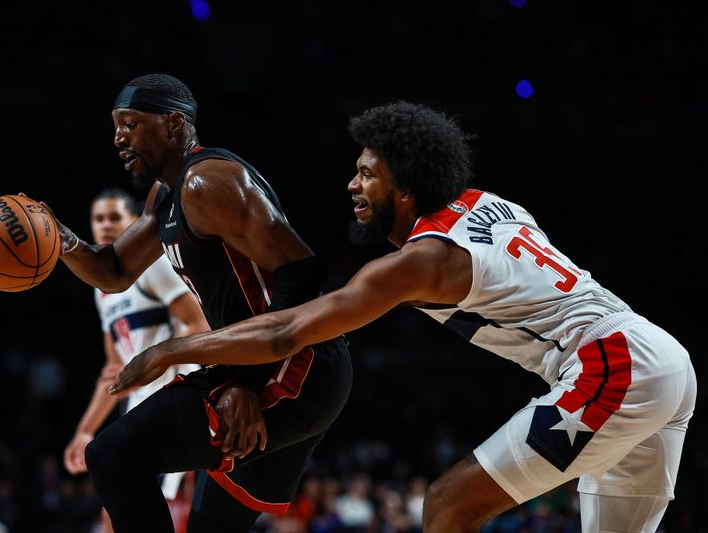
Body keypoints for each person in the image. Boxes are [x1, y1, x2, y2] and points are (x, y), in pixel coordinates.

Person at [111, 101, 697, 533]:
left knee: (446, 506)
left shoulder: (422, 260)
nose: (352, 185)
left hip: (614, 365)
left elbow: (288, 331)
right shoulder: (485, 205)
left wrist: (172, 351)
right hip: (664, 360)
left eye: (367, 173)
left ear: (409, 188)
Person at [45, 73, 353, 533]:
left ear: (173, 124)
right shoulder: (166, 195)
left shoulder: (208, 181)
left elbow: (302, 271)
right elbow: (113, 271)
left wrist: (249, 382)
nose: (117, 137)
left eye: (130, 124)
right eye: (115, 125)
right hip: (265, 361)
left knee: (112, 455)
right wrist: (59, 238)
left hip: (295, 363)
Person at [62, 188, 209, 532]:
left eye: (115, 217)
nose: (106, 225)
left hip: (178, 389)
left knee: (134, 510)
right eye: (99, 218)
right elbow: (112, 370)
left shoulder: (153, 266)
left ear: (133, 223)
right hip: (139, 402)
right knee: (117, 511)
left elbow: (198, 323)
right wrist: (84, 431)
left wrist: (157, 360)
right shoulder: (103, 293)